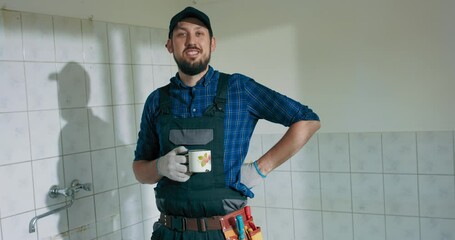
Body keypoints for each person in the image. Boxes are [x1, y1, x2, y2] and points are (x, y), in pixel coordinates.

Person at [133, 6, 320, 240]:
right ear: (169, 45)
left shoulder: (238, 89)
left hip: (227, 233)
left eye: (199, 33)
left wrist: (259, 170)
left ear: (212, 43)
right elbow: (140, 170)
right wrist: (159, 167)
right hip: (169, 233)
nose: (191, 41)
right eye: (182, 34)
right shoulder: (157, 101)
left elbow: (308, 120)